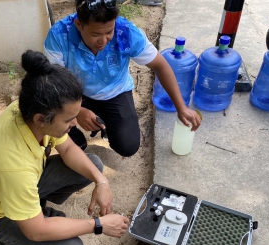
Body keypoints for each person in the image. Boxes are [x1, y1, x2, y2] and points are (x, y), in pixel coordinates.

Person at [0, 50, 129, 245]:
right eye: (70, 120)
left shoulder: (30, 108)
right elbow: (36, 231)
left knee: (93, 166)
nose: (74, 125)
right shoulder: (13, 166)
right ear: (41, 119)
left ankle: (34, 208)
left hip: (16, 185)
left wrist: (101, 181)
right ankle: (12, 240)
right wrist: (98, 225)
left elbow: (68, 147)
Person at [44, 0, 202, 157]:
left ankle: (105, 125)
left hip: (114, 91)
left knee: (128, 146)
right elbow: (54, 82)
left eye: (109, 32)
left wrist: (182, 107)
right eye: (96, 34)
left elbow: (161, 66)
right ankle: (74, 138)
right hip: (73, 92)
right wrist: (77, 112)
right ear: (78, 25)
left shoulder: (126, 32)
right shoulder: (59, 35)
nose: (104, 41)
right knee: (44, 103)